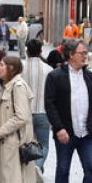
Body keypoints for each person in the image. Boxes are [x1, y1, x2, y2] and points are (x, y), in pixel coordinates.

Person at [45, 39, 92, 183]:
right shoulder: (55, 76)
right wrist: (59, 128)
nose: (85, 56)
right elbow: (50, 105)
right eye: (82, 53)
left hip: (87, 132)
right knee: (63, 169)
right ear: (70, 55)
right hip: (66, 132)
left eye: (86, 53)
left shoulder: (89, 76)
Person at [0, 55, 41, 183]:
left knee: (13, 179)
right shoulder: (8, 85)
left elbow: (21, 117)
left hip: (15, 144)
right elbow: (9, 111)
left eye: (2, 65)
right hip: (8, 143)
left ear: (12, 68)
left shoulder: (18, 86)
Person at [24, 39, 54, 170]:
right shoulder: (49, 69)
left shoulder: (20, 68)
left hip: (24, 113)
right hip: (43, 112)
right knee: (44, 145)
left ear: (27, 51)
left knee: (25, 144)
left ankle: (31, 170)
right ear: (41, 51)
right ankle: (38, 166)